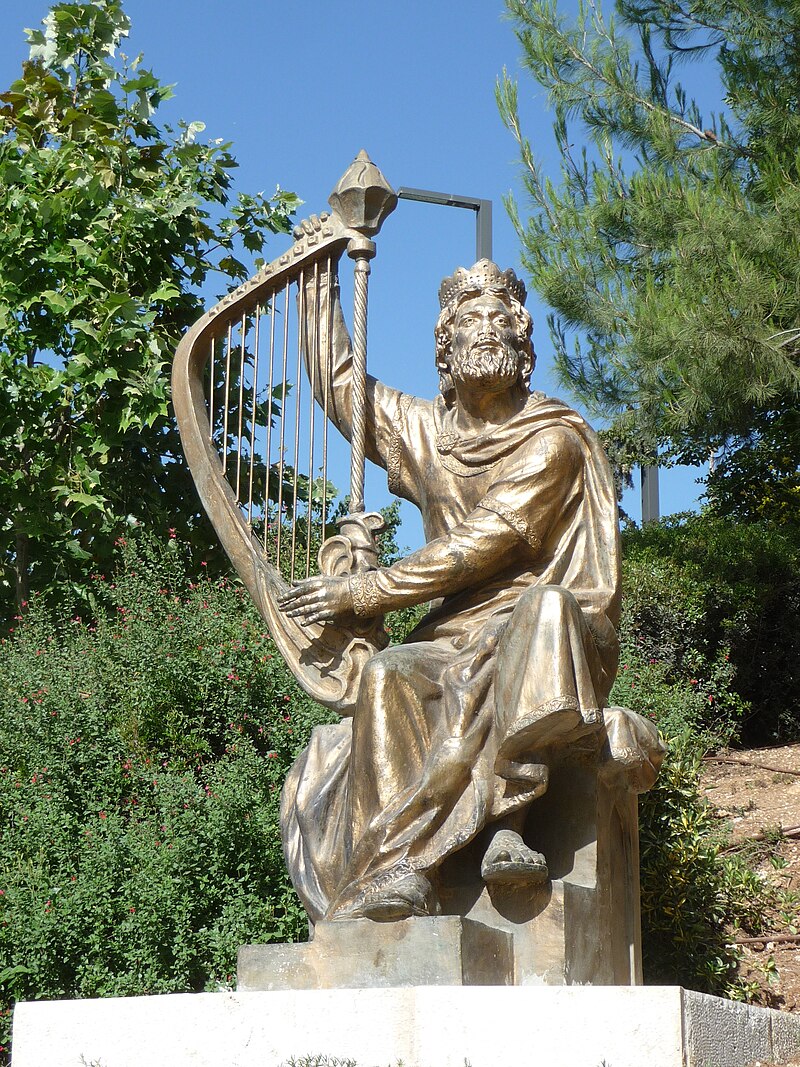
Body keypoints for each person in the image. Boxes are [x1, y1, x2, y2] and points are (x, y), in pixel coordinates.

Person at [278, 257, 621, 924]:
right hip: (452, 634)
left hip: (553, 630)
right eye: (471, 321)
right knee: (387, 673)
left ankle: (508, 825)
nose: (487, 330)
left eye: (501, 321)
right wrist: (317, 278)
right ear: (447, 344)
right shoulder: (424, 430)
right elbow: (341, 386)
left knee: (536, 613)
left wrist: (364, 592)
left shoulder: (551, 437)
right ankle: (400, 869)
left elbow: (484, 544)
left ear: (523, 345)